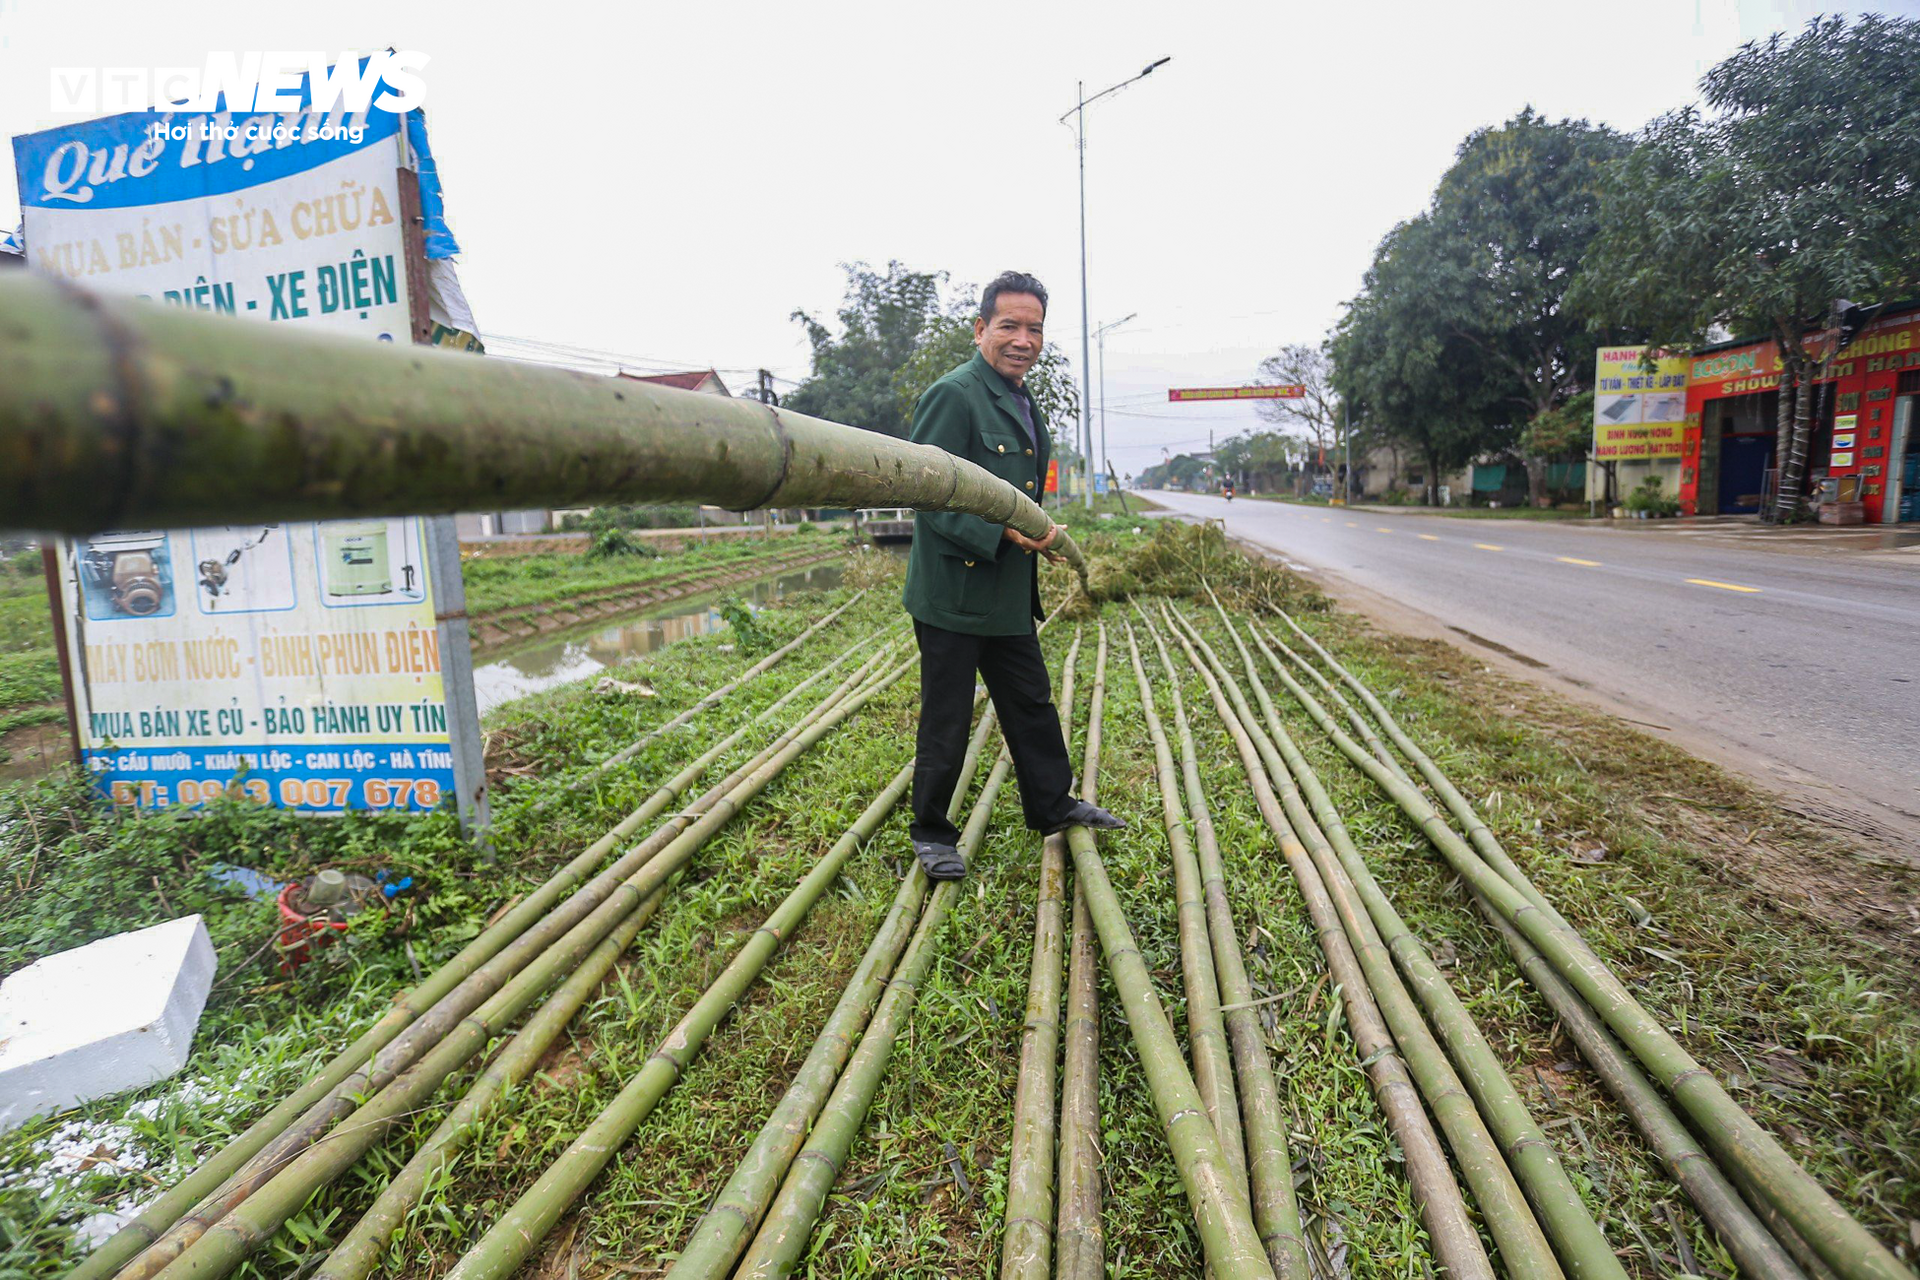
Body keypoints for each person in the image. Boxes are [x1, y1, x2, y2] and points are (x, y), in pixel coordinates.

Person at [900, 270, 1125, 880]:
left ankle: (1053, 805)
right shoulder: (955, 394)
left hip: (1003, 592)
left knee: (1030, 702)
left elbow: (1016, 494)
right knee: (947, 715)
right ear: (980, 330)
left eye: (1034, 328)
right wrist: (1003, 533)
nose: (1023, 339)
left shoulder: (1021, 398)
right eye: (1009, 326)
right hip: (953, 592)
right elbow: (928, 495)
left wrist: (1038, 534)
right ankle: (931, 832)